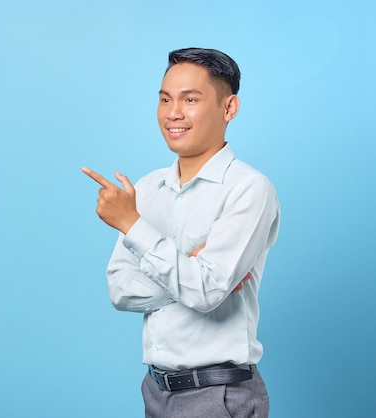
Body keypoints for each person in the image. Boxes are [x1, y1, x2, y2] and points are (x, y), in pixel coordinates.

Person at [82, 48, 280, 417]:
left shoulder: (249, 188)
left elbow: (205, 292)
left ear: (229, 108)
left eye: (190, 99)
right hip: (156, 390)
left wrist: (132, 224)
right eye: (165, 99)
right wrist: (188, 270)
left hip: (219, 394)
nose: (173, 112)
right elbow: (120, 290)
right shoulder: (147, 186)